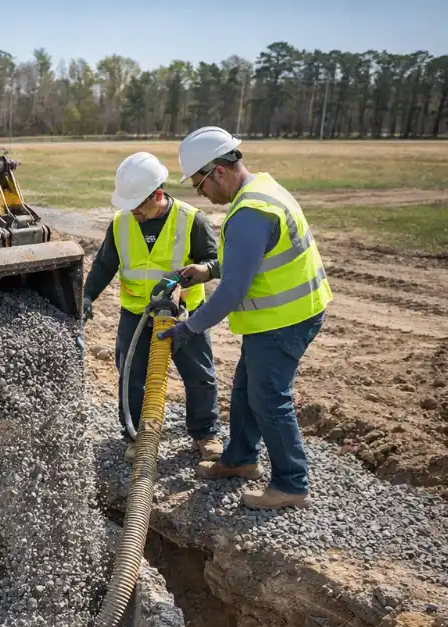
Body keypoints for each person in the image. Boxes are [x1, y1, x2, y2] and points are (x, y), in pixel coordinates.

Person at [157, 126, 332, 510]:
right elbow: (254, 259)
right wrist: (209, 269)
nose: (201, 194)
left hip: (285, 320)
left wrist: (189, 327)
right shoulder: (263, 190)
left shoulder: (250, 212)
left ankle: (291, 484)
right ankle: (240, 459)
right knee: (245, 390)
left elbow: (233, 293)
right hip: (283, 315)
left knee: (269, 398)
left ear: (218, 170)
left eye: (200, 184)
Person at [83, 151, 222, 463]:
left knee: (199, 374)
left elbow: (216, 262)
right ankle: (135, 435)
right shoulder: (120, 224)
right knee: (131, 375)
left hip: (186, 315)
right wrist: (87, 296)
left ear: (158, 194)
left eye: (139, 206)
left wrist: (196, 274)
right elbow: (105, 265)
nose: (134, 213)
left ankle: (205, 433)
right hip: (136, 314)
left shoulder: (191, 220)